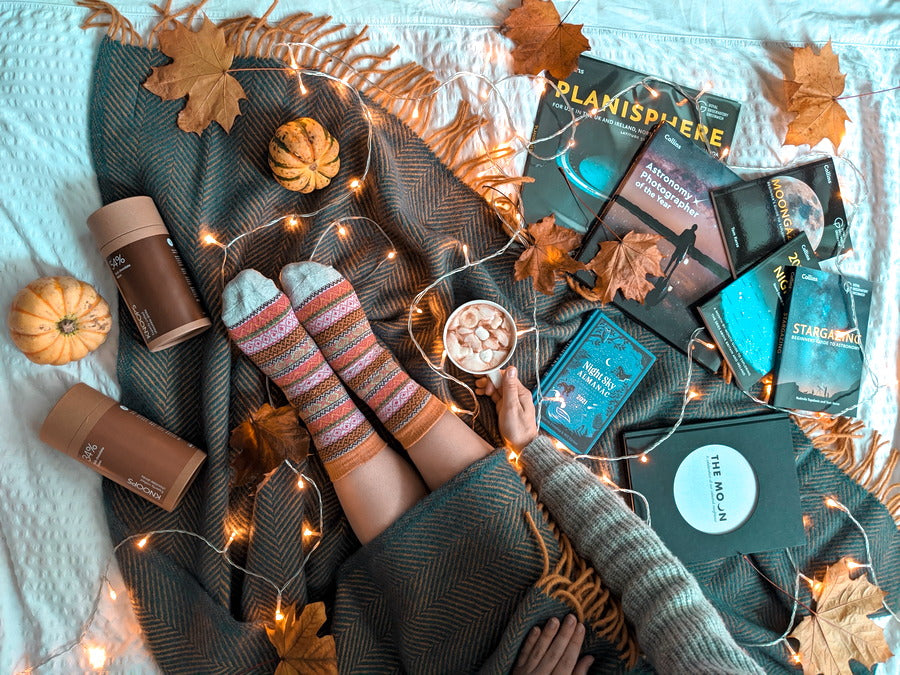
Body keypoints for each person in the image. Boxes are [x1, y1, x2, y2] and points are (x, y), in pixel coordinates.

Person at [222, 262, 763, 674]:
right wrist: (532, 449)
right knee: (500, 515)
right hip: (572, 604)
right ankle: (369, 372)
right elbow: (653, 580)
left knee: (437, 591)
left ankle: (318, 394)